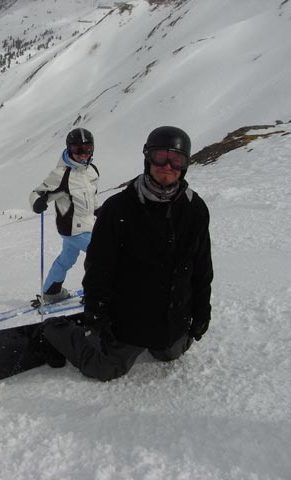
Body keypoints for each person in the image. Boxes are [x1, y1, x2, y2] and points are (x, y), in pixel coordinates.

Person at [34, 126, 214, 381]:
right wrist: (97, 315)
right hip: (128, 318)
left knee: (171, 353)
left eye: (177, 159)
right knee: (105, 368)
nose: (168, 165)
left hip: (172, 317)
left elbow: (201, 268)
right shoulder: (119, 209)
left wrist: (201, 314)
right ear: (148, 158)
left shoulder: (195, 209)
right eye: (160, 156)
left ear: (185, 164)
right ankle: (56, 329)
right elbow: (99, 269)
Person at [29, 127, 100, 303]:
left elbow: (91, 197)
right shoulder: (61, 174)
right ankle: (95, 293)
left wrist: (99, 211)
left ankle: (51, 292)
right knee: (100, 255)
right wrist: (38, 202)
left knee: (66, 260)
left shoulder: (91, 171)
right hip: (72, 229)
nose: (83, 154)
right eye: (78, 150)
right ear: (69, 149)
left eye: (87, 149)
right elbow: (37, 193)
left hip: (86, 224)